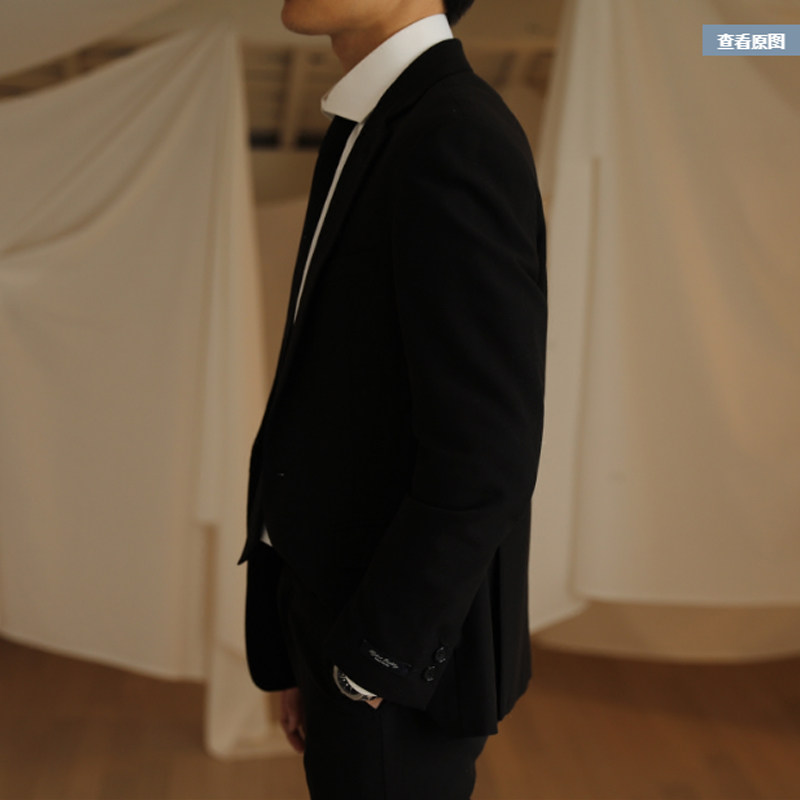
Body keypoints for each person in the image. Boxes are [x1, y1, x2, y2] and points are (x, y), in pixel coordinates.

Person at [239, 0, 547, 796]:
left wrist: (370, 664)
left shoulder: (456, 133)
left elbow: (489, 454)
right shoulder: (374, 121)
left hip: (393, 666)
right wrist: (303, 635)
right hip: (334, 617)